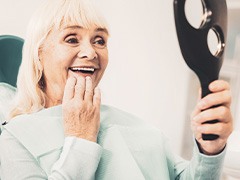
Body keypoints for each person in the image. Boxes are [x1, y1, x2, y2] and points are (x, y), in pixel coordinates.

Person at [0, 0, 233, 179]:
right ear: (38, 55)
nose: (91, 53)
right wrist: (80, 140)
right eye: (72, 39)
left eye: (99, 40)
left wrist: (209, 151)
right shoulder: (16, 139)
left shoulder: (141, 128)